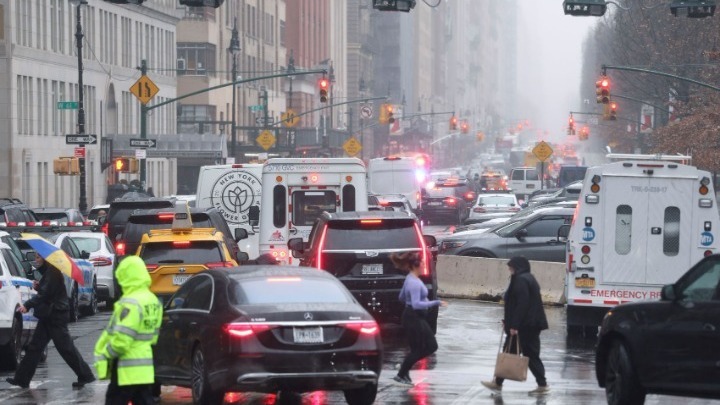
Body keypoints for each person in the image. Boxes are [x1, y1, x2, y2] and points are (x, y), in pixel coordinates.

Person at [6, 255, 96, 389]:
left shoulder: (52, 272)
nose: (35, 260)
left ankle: (85, 375)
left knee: (66, 348)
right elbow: (47, 291)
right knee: (35, 348)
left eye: (38, 257)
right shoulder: (49, 272)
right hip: (49, 315)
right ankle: (21, 379)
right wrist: (39, 286)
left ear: (45, 259)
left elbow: (45, 295)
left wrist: (28, 305)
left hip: (56, 316)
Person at [94, 256, 163, 405]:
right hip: (144, 368)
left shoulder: (131, 303)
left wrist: (107, 353)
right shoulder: (153, 300)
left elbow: (122, 340)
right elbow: (154, 336)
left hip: (126, 369)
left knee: (114, 400)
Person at [482, 256, 550, 396]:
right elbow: (519, 304)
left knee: (529, 354)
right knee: (510, 352)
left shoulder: (520, 280)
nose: (509, 269)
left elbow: (521, 304)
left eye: (511, 267)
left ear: (517, 267)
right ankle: (498, 383)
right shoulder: (529, 278)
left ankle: (542, 385)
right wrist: (508, 321)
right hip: (529, 324)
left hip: (525, 326)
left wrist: (514, 325)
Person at [391, 251, 447, 386]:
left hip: (410, 315)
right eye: (422, 263)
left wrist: (414, 302)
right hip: (414, 317)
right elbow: (416, 304)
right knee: (431, 346)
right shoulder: (415, 283)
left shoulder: (409, 279)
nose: (423, 265)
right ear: (416, 265)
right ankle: (402, 372)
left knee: (416, 349)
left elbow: (401, 297)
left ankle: (404, 372)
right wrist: (435, 302)